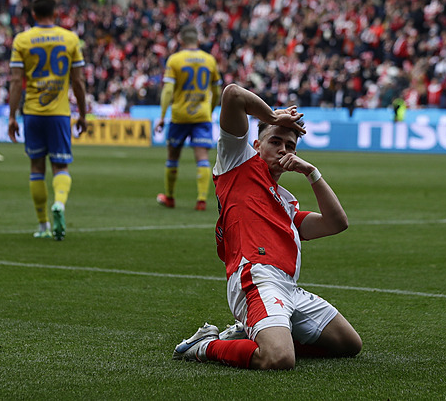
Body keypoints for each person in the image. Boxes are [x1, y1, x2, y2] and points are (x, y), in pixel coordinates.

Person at [172, 84, 362, 370]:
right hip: (256, 277)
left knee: (349, 344)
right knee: (278, 359)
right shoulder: (237, 162)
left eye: (290, 146)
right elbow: (233, 95)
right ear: (257, 145)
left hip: (289, 288)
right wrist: (274, 118)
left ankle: (253, 334)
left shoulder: (287, 203)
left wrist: (312, 173)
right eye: (275, 142)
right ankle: (203, 346)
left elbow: (337, 223)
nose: (283, 150)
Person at [8, 0, 87, 240]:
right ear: (55, 14)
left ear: (33, 14)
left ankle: (42, 225)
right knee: (60, 166)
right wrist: (83, 114)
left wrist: (11, 116)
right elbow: (78, 82)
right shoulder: (70, 38)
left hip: (32, 112)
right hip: (59, 114)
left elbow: (14, 82)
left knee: (36, 167)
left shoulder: (22, 40)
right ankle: (59, 204)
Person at [155, 26, 222, 211]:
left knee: (172, 156)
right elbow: (217, 90)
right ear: (198, 42)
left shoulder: (175, 59)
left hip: (179, 115)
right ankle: (201, 200)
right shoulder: (209, 60)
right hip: (202, 114)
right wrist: (210, 108)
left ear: (181, 42)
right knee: (202, 157)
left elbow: (168, 90)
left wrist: (162, 116)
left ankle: (169, 197)